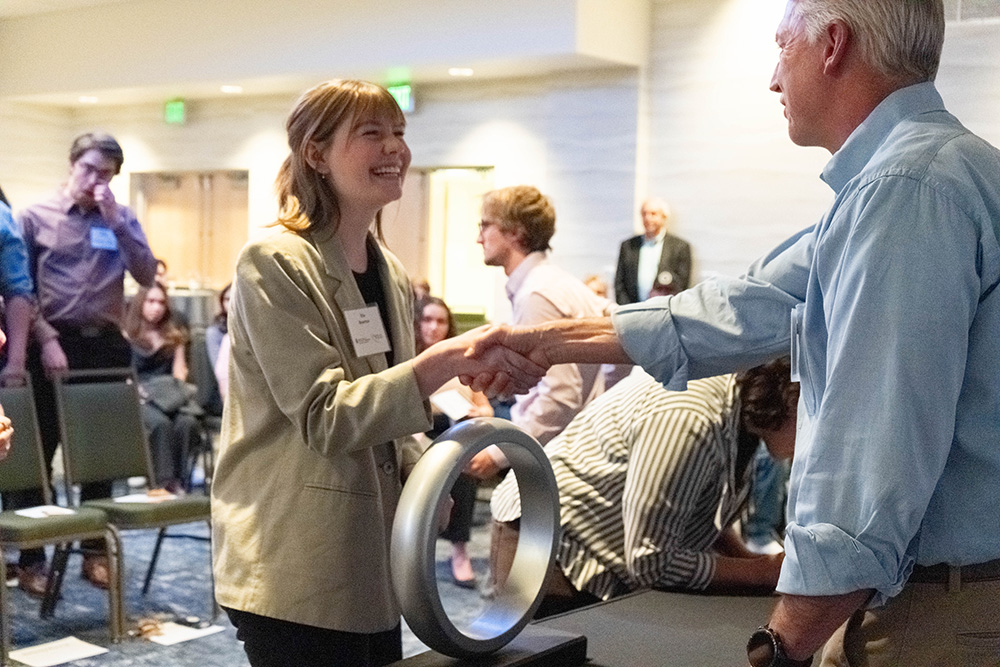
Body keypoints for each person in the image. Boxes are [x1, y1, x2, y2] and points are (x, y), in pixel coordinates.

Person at [465, 1, 1000, 664]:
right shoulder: (923, 173)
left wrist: (782, 644)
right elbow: (752, 301)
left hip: (937, 613)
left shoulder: (905, 189)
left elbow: (871, 462)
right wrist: (545, 342)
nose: (774, 77)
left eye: (783, 47)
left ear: (833, 44)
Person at [209, 79, 542, 667]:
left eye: (399, 134)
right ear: (316, 153)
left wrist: (422, 473)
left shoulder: (385, 266)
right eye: (372, 134)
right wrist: (444, 360)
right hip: (297, 553)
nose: (395, 149)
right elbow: (326, 414)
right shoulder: (272, 260)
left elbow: (383, 395)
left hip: (372, 550)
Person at [490, 358, 797, 618]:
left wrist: (751, 563)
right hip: (552, 544)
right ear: (791, 399)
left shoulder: (741, 412)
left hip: (600, 551)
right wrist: (760, 572)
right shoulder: (691, 416)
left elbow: (695, 506)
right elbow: (651, 562)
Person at [15, 132, 157, 595]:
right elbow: (21, 289)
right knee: (41, 452)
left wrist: (118, 221)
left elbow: (146, 273)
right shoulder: (36, 216)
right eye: (90, 169)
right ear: (72, 163)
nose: (97, 181)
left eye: (108, 174)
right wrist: (48, 338)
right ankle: (32, 557)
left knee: (102, 453)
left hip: (106, 345)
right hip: (51, 343)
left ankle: (94, 554)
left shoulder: (121, 218)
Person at [467, 185, 610, 480]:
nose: (479, 237)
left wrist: (496, 456)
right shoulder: (555, 283)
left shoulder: (537, 294)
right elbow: (612, 366)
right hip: (571, 443)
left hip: (558, 454)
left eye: (485, 225)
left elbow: (560, 397)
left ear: (515, 233)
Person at [415, 296, 493, 588]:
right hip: (417, 436)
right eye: (428, 320)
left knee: (464, 466)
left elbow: (486, 407)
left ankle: (459, 552)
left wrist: (478, 411)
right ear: (417, 323)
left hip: (454, 433)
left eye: (441, 321)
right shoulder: (408, 358)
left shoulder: (462, 362)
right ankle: (414, 552)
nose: (434, 327)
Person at [123, 281, 202, 493]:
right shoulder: (126, 336)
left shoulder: (173, 335)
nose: (156, 307)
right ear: (140, 303)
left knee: (187, 422)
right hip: (138, 396)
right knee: (160, 424)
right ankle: (163, 483)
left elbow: (179, 372)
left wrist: (179, 393)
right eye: (151, 301)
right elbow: (124, 376)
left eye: (161, 303)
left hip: (168, 394)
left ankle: (180, 480)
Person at [613, 197, 692, 304]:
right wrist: (627, 310)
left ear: (664, 217)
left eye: (653, 214)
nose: (647, 218)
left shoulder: (679, 247)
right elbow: (619, 283)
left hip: (664, 312)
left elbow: (682, 285)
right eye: (644, 214)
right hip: (632, 311)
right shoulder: (628, 246)